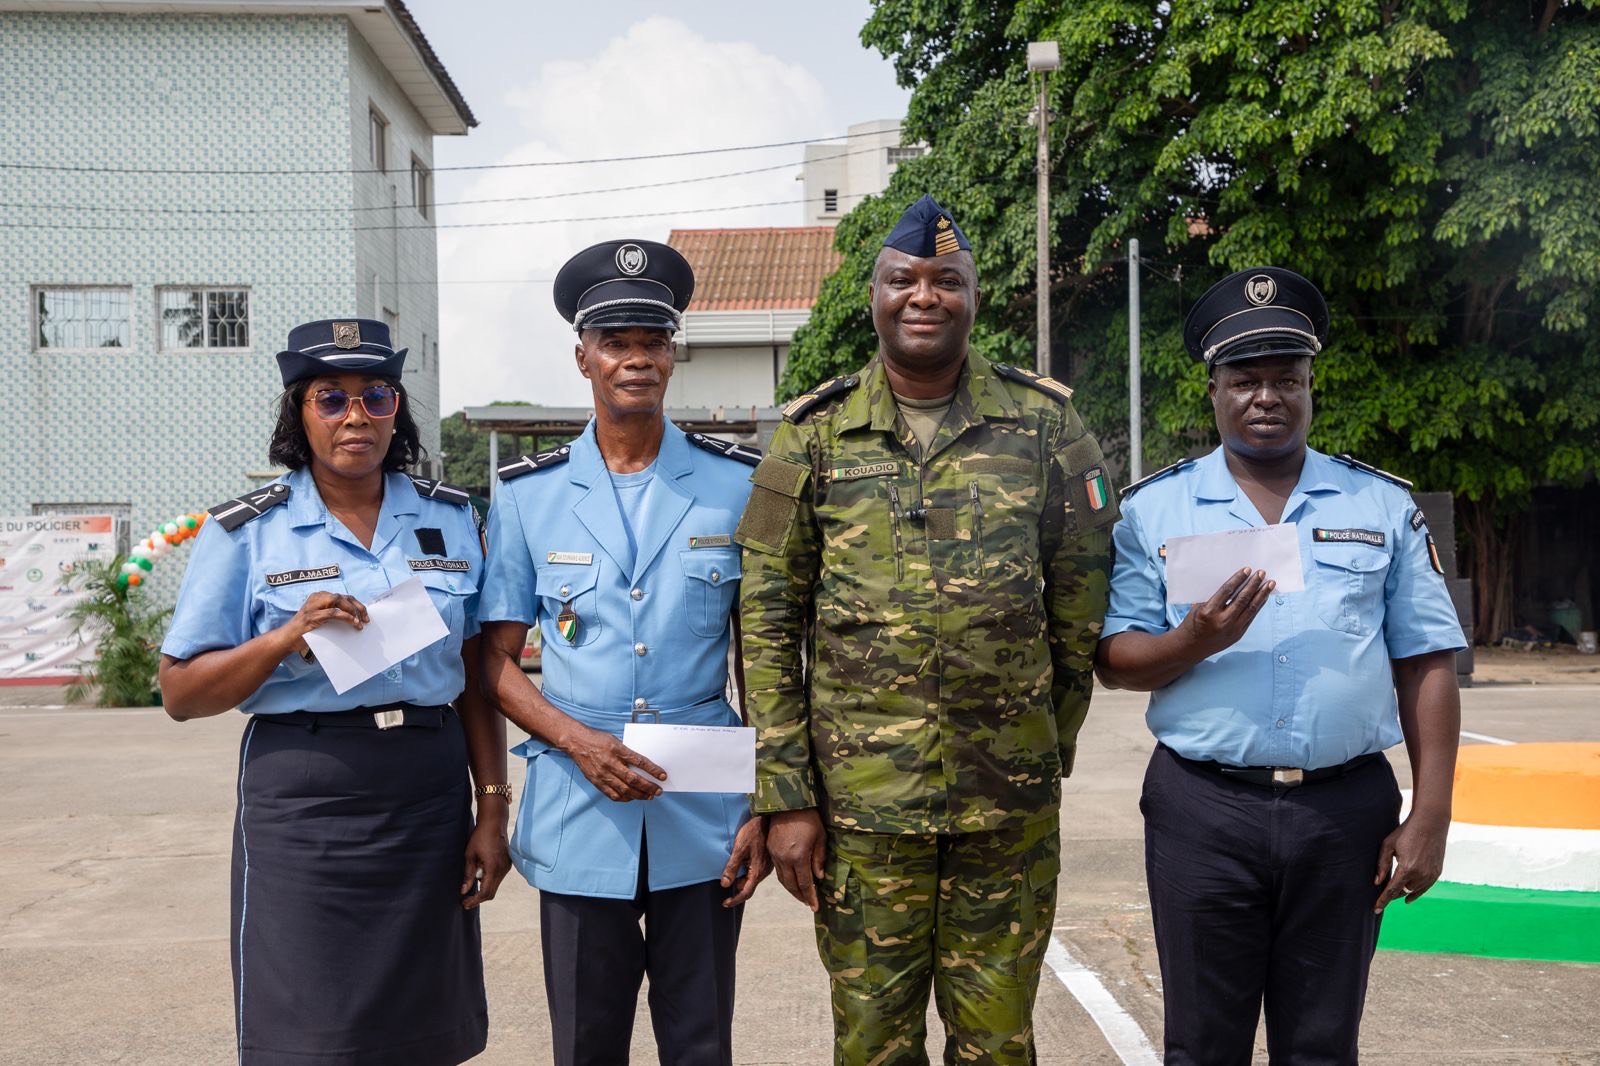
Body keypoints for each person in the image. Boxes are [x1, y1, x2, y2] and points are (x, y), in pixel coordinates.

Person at [735, 195, 1117, 1065]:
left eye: (948, 280)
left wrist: (1041, 746)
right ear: (872, 294)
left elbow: (1080, 605)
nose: (924, 296)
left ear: (976, 297)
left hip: (1006, 813)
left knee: (998, 1043)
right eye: (902, 279)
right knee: (872, 1045)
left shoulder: (1048, 427)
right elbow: (765, 621)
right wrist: (786, 793)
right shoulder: (811, 436)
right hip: (863, 817)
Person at [1095, 267, 1466, 1065]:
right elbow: (1115, 659)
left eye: (1286, 379)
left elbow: (1427, 660)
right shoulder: (1153, 510)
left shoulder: (1378, 507)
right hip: (1203, 809)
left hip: (1346, 814)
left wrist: (1430, 813)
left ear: (1309, 386)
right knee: (1201, 1044)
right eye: (1246, 379)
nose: (1267, 397)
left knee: (1324, 1044)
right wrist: (1192, 642)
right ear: (1215, 390)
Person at [158, 318, 512, 1065]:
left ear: (397, 412)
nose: (357, 415)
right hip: (305, 795)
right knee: (309, 1034)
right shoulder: (248, 532)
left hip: (426, 790)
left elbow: (478, 681)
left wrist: (491, 807)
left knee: (426, 1024)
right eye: (332, 398)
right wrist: (283, 638)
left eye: (376, 396)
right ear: (299, 414)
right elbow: (181, 692)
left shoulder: (451, 518)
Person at [479, 239, 770, 1066]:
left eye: (653, 341)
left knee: (700, 1043)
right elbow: (494, 660)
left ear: (673, 354)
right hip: (579, 801)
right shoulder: (529, 495)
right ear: (583, 358)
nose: (636, 358)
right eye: (616, 342)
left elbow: (765, 654)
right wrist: (575, 740)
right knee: (586, 1044)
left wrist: (770, 794)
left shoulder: (736, 484)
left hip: (706, 800)